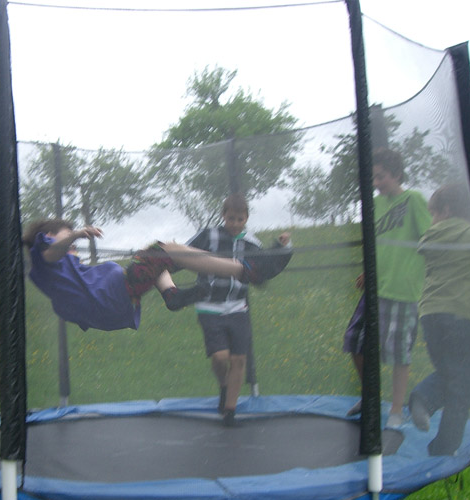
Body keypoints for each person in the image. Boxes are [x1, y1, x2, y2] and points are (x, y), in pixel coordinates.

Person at [22, 218, 284, 333]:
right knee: (165, 249)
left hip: (117, 301)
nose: (72, 243)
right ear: (47, 236)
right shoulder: (44, 258)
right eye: (65, 235)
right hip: (114, 294)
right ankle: (246, 270)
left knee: (158, 258)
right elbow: (51, 252)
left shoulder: (59, 270)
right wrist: (77, 234)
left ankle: (172, 294)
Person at [344, 148, 431, 427]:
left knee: (398, 354)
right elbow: (377, 243)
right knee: (354, 340)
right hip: (375, 288)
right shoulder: (375, 204)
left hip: (402, 290)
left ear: (396, 174)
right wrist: (367, 269)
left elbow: (429, 239)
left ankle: (396, 410)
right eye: (373, 178)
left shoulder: (413, 200)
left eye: (381, 177)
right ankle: (370, 394)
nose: (376, 183)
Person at [187, 193, 293, 425]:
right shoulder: (208, 235)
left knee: (239, 359)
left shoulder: (251, 242)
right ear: (223, 216)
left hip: (238, 307)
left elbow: (267, 265)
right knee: (220, 357)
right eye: (231, 218)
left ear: (246, 218)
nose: (235, 224)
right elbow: (184, 254)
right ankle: (223, 385)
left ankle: (230, 410)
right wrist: (161, 261)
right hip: (209, 306)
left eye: (240, 219)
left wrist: (282, 246)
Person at [408, 183, 470, 455]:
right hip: (459, 316)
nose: (433, 219)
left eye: (434, 213)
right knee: (464, 383)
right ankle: (444, 446)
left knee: (450, 373)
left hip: (429, 316)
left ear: (446, 211)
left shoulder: (429, 238)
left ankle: (423, 400)